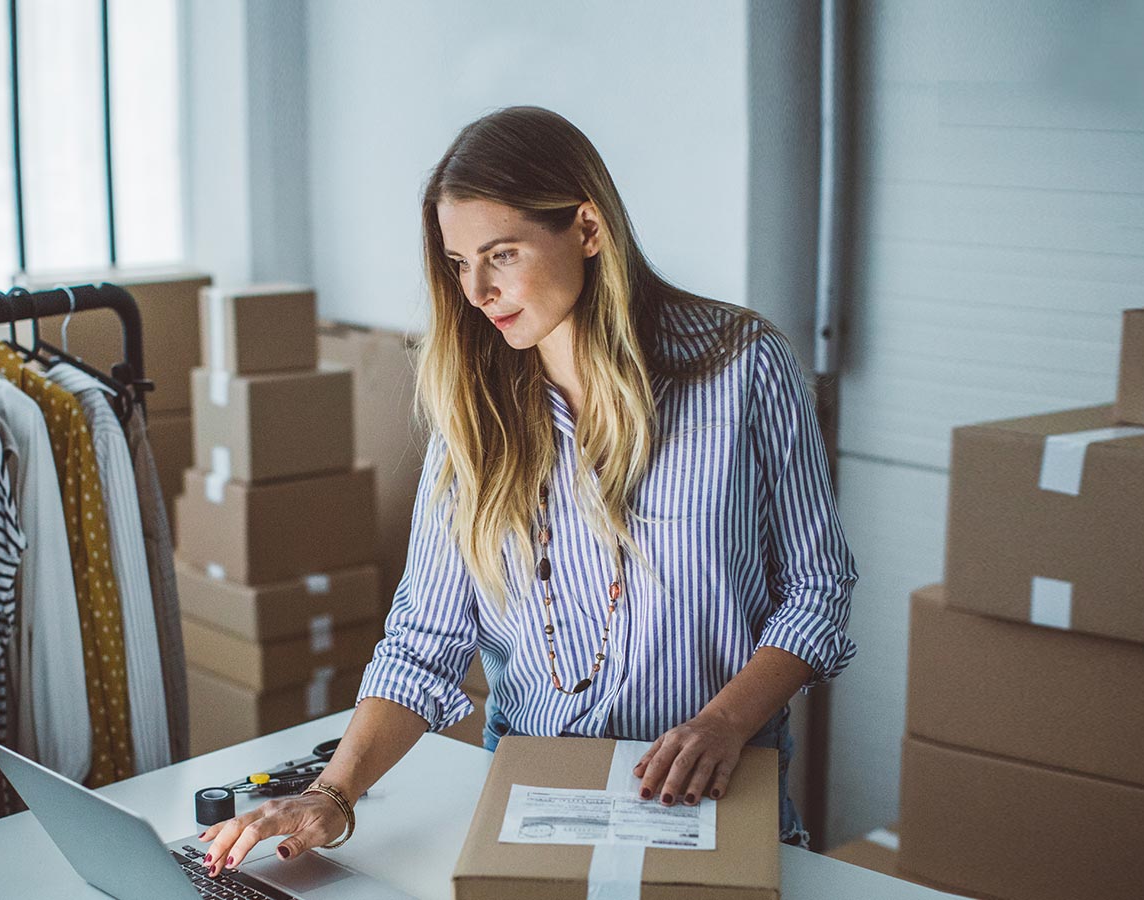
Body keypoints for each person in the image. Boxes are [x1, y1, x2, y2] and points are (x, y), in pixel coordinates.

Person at [197, 105, 857, 877]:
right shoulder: (473, 411)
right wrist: (333, 795)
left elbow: (818, 589)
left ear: (586, 228)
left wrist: (722, 723)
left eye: (500, 254)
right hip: (536, 803)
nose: (477, 290)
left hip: (714, 793)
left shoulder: (745, 367)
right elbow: (424, 643)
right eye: (456, 263)